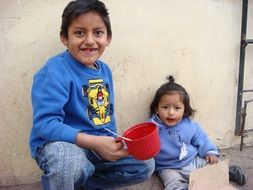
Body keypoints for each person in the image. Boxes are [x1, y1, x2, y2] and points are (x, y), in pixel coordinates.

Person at [29, 0, 155, 189]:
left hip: (96, 146)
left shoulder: (104, 70)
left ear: (108, 38)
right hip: (62, 145)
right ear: (64, 37)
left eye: (98, 32)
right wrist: (94, 142)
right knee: (68, 162)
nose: (89, 40)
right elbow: (45, 125)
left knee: (145, 163)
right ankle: (67, 179)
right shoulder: (54, 72)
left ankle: (81, 183)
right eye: (79, 33)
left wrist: (113, 144)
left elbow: (104, 117)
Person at [149, 75, 246, 190]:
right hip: (168, 168)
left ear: (184, 109)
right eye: (165, 107)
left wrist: (210, 152)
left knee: (211, 166)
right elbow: (141, 144)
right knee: (173, 182)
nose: (171, 112)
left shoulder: (189, 126)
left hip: (192, 160)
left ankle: (228, 172)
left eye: (177, 108)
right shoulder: (151, 128)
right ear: (156, 109)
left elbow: (202, 139)